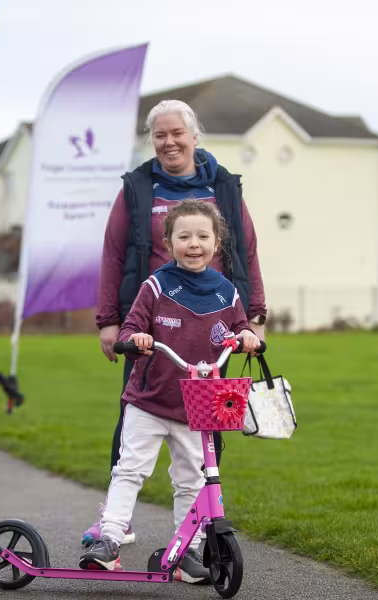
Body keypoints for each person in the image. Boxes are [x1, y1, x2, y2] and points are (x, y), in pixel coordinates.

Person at [83, 99, 267, 546]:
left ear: (194, 135)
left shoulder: (224, 187)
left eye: (177, 133)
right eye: (159, 135)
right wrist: (111, 320)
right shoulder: (139, 188)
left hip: (213, 326)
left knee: (206, 430)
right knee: (135, 418)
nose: (169, 142)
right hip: (152, 325)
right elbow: (112, 252)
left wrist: (255, 317)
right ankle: (115, 522)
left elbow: (248, 248)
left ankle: (198, 531)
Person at [79, 199, 260, 582]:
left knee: (192, 480)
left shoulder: (226, 292)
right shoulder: (157, 285)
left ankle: (187, 551)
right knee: (129, 469)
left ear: (216, 243)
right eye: (184, 236)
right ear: (168, 241)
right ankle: (109, 540)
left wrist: (246, 337)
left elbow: (241, 327)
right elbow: (129, 329)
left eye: (202, 236)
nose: (193, 244)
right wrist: (137, 338)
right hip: (149, 401)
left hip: (197, 406)